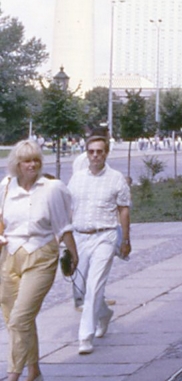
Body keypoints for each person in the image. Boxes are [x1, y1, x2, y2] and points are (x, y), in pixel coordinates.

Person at [0, 140, 78, 381]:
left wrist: (73, 254)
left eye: (35, 160)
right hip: (10, 255)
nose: (32, 165)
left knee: (20, 318)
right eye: (26, 161)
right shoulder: (6, 187)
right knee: (15, 316)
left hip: (42, 254)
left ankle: (11, 378)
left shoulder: (52, 188)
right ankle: (34, 372)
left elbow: (63, 226)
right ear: (17, 165)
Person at [68, 133, 131, 354]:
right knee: (81, 286)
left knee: (95, 285)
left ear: (106, 153)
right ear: (87, 153)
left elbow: (123, 209)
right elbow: (70, 207)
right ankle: (104, 314)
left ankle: (85, 337)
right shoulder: (77, 178)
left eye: (99, 152)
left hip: (105, 236)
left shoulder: (116, 178)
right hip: (80, 236)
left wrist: (125, 239)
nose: (95, 156)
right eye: (91, 151)